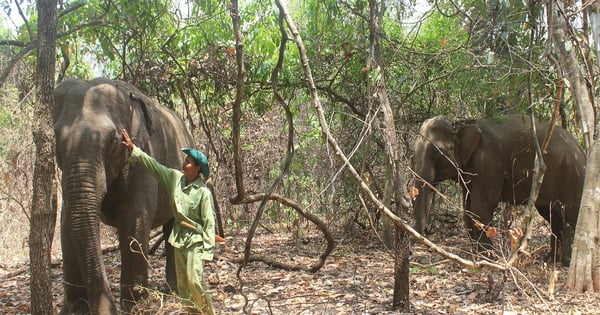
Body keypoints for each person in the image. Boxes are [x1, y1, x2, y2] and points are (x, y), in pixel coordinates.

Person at [121, 129, 215, 315]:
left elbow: (209, 223)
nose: (184, 163)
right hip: (178, 239)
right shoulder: (174, 178)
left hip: (195, 241)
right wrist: (135, 150)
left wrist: (207, 250)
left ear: (196, 169)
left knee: (195, 280)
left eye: (188, 162)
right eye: (185, 160)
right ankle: (192, 312)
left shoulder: (203, 192)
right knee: (183, 285)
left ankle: (208, 312)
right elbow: (154, 166)